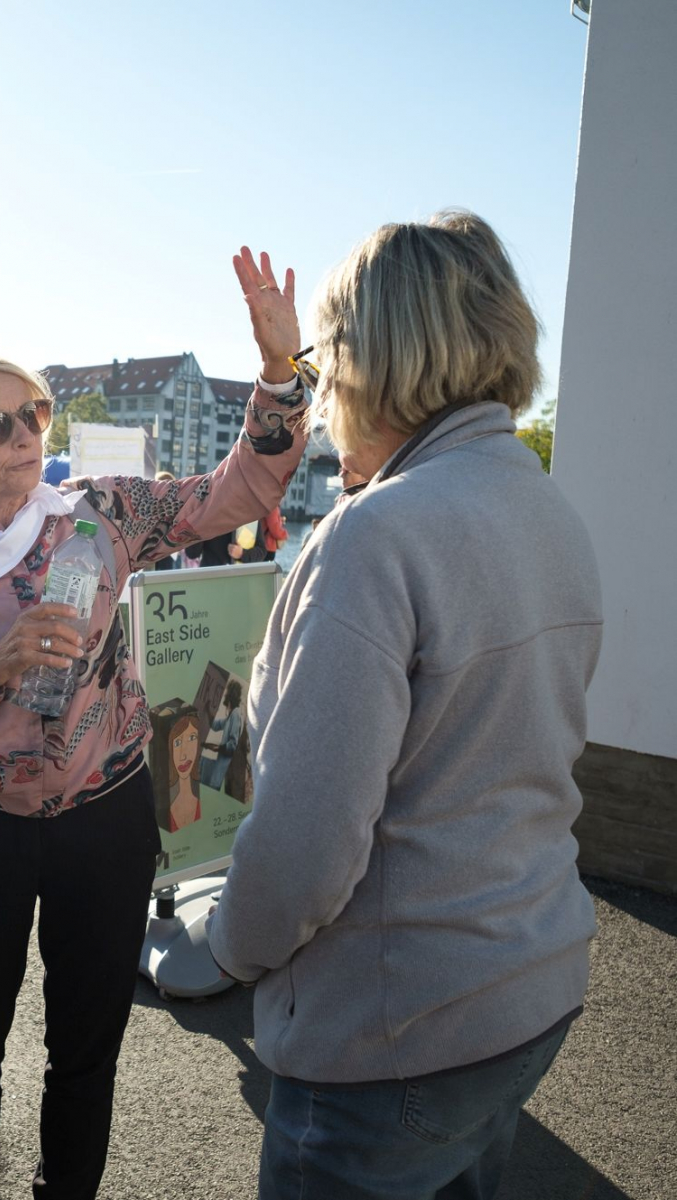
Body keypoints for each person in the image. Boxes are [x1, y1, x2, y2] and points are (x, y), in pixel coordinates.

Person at [0, 246, 309, 1200]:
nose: (26, 435)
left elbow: (238, 493)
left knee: (86, 1052)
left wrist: (280, 376)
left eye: (36, 413)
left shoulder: (102, 516)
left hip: (103, 825)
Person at [207, 211, 602, 1200]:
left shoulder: (376, 534)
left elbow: (305, 842)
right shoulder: (543, 506)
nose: (327, 380)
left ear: (368, 357)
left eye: (330, 355)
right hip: (526, 978)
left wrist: (227, 947)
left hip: (395, 1028)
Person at [201, 679, 245, 793]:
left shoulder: (235, 713)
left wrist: (217, 748)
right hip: (221, 765)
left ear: (230, 695)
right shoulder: (231, 716)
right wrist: (207, 710)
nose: (224, 695)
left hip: (224, 767)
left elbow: (232, 744)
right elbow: (216, 725)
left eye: (226, 692)